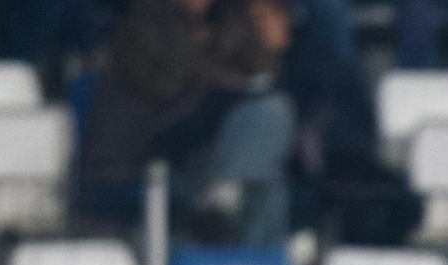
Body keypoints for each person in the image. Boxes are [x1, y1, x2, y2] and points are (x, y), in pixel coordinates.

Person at [82, 0, 295, 246]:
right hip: (144, 157)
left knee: (270, 132)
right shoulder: (143, 25)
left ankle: (227, 204)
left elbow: (264, 72)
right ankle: (244, 255)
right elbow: (175, 84)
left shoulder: (226, 20)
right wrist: (235, 84)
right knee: (262, 163)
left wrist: (252, 25)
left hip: (198, 156)